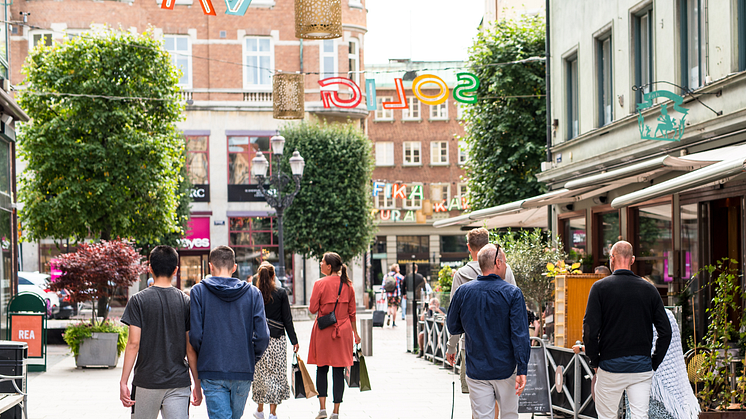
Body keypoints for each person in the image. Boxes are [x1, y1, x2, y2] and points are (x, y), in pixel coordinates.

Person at [574, 280, 700, 419]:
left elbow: (623, 344)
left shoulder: (638, 316)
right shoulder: (668, 316)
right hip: (671, 386)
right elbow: (667, 340)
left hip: (644, 378)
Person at [582, 241, 672, 419]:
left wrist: (595, 361)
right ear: (632, 260)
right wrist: (653, 362)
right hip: (641, 367)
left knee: (607, 416)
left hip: (609, 365)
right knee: (640, 416)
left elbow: (589, 330)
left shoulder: (599, 288)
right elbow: (666, 332)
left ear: (612, 258)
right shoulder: (649, 289)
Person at [447, 244, 530, 419]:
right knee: (509, 414)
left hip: (476, 367)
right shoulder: (513, 293)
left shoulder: (463, 292)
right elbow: (520, 334)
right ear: (498, 263)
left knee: (481, 416)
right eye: (505, 262)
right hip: (506, 368)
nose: (506, 266)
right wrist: (522, 368)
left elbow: (453, 326)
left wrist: (470, 326)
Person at [120, 245, 202, 419]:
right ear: (176, 270)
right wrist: (197, 384)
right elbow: (190, 349)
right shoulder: (186, 302)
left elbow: (133, 344)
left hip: (146, 381)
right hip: (178, 382)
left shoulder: (137, 301)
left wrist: (123, 381)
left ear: (149, 268)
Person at [189, 246, 270, 419]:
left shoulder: (198, 292)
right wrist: (250, 356)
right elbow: (263, 336)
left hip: (212, 368)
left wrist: (207, 352)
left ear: (210, 266)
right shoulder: (253, 293)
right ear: (234, 267)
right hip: (242, 369)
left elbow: (195, 335)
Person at [446, 228, 516, 394]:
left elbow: (455, 318)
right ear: (489, 245)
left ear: (469, 247)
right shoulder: (505, 270)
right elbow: (516, 309)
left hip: (471, 346)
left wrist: (451, 347)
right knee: (499, 395)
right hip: (502, 345)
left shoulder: (461, 275)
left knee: (478, 400)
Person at [308, 252, 362, 419]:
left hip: (324, 331)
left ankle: (322, 409)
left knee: (321, 369)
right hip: (343, 331)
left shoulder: (319, 284)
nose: (320, 264)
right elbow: (352, 313)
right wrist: (356, 334)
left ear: (329, 266)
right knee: (339, 371)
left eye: (322, 262)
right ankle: (336, 411)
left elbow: (312, 309)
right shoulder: (348, 286)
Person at [252, 263, 299, 419]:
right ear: (273, 276)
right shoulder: (281, 293)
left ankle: (259, 410)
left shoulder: (254, 294)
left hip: (259, 342)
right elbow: (287, 319)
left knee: (260, 376)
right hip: (277, 340)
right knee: (276, 376)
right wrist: (294, 340)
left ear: (258, 277)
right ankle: (273, 413)